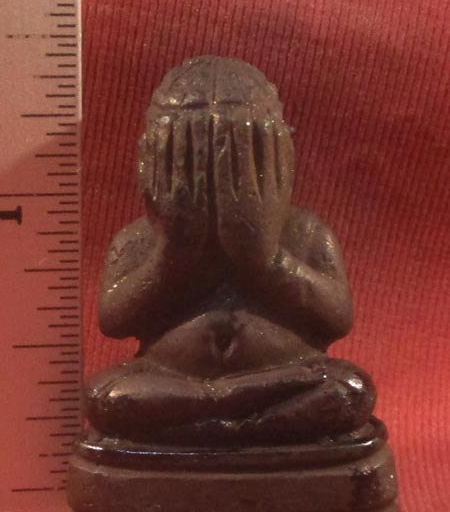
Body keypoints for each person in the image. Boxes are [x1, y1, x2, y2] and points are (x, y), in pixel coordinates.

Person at [86, 56, 375, 445]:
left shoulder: (305, 233)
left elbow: (337, 318)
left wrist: (266, 259)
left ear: (278, 158)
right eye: (187, 158)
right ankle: (244, 421)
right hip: (173, 380)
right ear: (152, 161)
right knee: (106, 396)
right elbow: (113, 321)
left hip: (282, 378)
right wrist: (171, 257)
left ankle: (215, 421)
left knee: (349, 388)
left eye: (243, 160)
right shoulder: (140, 239)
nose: (214, 178)